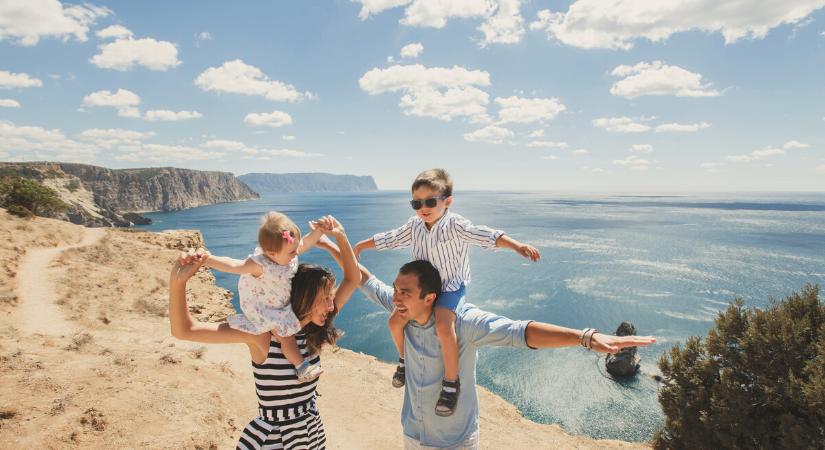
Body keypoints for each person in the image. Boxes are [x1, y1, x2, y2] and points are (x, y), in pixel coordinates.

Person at [317, 240, 655, 449]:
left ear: (429, 297)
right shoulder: (402, 310)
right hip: (412, 435)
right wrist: (335, 245)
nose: (396, 297)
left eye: (404, 292)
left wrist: (585, 337)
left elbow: (521, 332)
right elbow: (362, 277)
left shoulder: (462, 322)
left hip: (453, 443)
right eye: (396, 289)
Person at [353, 168, 541, 417]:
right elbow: (391, 238)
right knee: (394, 322)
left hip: (451, 287)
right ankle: (404, 361)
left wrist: (516, 245)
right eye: (416, 203)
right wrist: (361, 246)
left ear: (447, 201)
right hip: (425, 290)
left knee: (443, 326)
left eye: (430, 201)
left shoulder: (456, 225)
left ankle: (451, 383)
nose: (423, 207)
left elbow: (484, 234)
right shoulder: (414, 226)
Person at [169, 216, 360, 450]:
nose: (332, 307)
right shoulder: (262, 335)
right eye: (325, 299)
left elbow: (353, 279)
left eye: (331, 299)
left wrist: (340, 236)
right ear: (305, 298)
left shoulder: (313, 329)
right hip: (274, 439)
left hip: (311, 432)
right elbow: (184, 330)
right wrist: (177, 283)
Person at [200, 211, 327, 381]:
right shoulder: (260, 264)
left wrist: (320, 231)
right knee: (286, 338)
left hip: (279, 303)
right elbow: (233, 265)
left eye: (296, 249)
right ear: (272, 253)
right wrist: (208, 259)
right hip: (266, 309)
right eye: (292, 251)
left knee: (289, 330)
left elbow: (305, 243)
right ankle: (302, 368)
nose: (297, 253)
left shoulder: (288, 254)